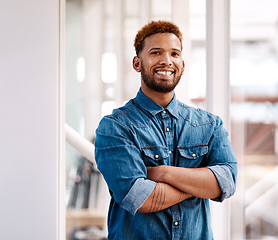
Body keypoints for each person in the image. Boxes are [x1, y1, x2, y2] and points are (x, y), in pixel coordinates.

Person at [94, 20, 237, 239]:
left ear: (183, 64)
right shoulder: (115, 127)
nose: (166, 61)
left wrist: (164, 173)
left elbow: (227, 182)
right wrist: (201, 184)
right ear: (137, 63)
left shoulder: (209, 124)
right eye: (156, 52)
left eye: (174, 54)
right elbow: (139, 198)